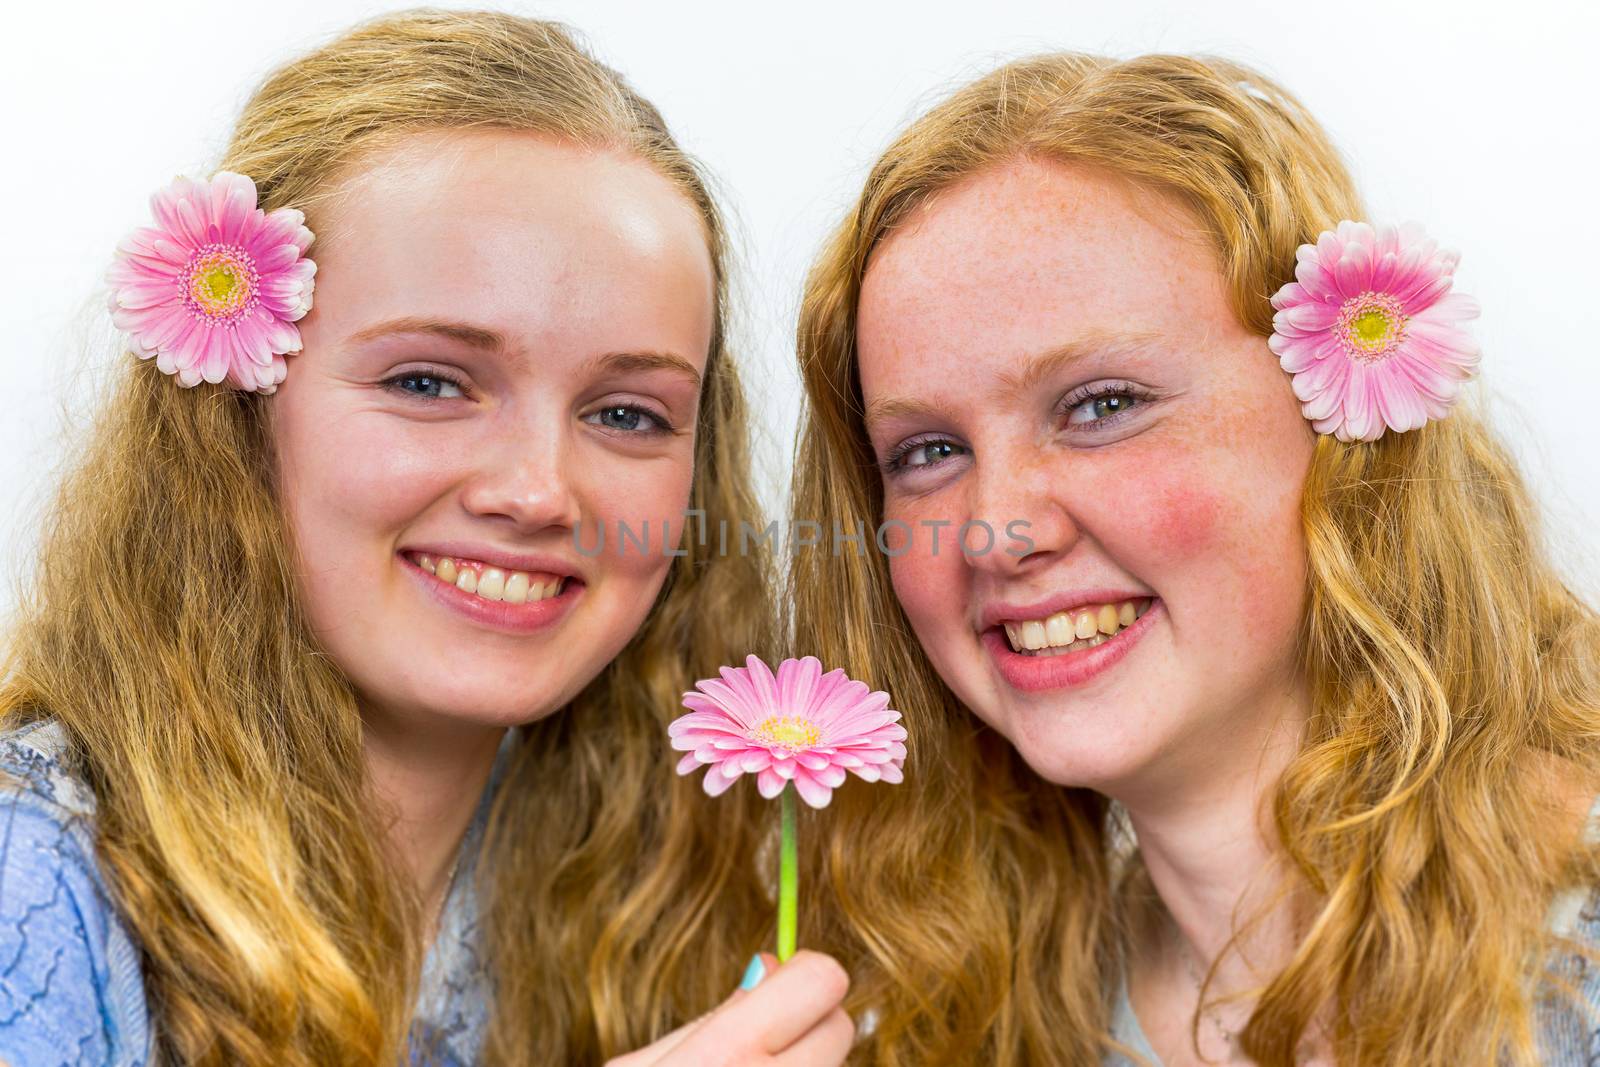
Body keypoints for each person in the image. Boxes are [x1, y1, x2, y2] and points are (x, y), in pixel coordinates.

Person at [0, 11, 851, 1066]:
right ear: (233, 414)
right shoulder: (27, 876)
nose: (540, 490)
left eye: (626, 412)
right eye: (429, 381)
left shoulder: (664, 887)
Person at [788, 53, 1600, 1065]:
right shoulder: (982, 1019)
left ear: (1335, 421)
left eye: (1101, 405)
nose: (996, 524)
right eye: (928, 452)